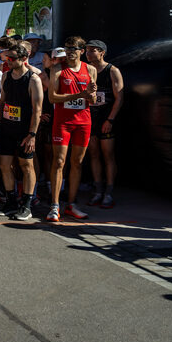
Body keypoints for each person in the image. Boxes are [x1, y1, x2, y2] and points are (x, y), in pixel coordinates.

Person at [47, 37, 97, 222]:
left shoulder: (90, 69)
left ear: (81, 51)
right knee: (59, 162)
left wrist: (91, 95)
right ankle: (54, 205)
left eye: (74, 49)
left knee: (77, 163)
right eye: (67, 48)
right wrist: (80, 94)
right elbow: (52, 98)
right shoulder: (57, 69)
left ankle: (71, 203)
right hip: (63, 122)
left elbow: (92, 100)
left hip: (83, 121)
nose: (70, 52)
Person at [0, 41, 42, 221]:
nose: (9, 61)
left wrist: (32, 135)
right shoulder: (6, 76)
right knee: (5, 165)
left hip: (25, 130)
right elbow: (2, 102)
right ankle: (11, 200)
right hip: (7, 127)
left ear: (24, 59)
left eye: (12, 58)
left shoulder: (33, 79)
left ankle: (27, 204)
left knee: (26, 166)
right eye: (7, 57)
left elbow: (37, 110)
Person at [85, 39, 124, 208]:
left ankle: (109, 192)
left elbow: (120, 97)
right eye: (87, 50)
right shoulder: (86, 69)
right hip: (90, 118)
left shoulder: (112, 70)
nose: (88, 53)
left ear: (102, 52)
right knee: (93, 154)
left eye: (92, 50)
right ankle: (98, 190)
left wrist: (110, 119)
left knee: (108, 155)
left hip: (106, 118)